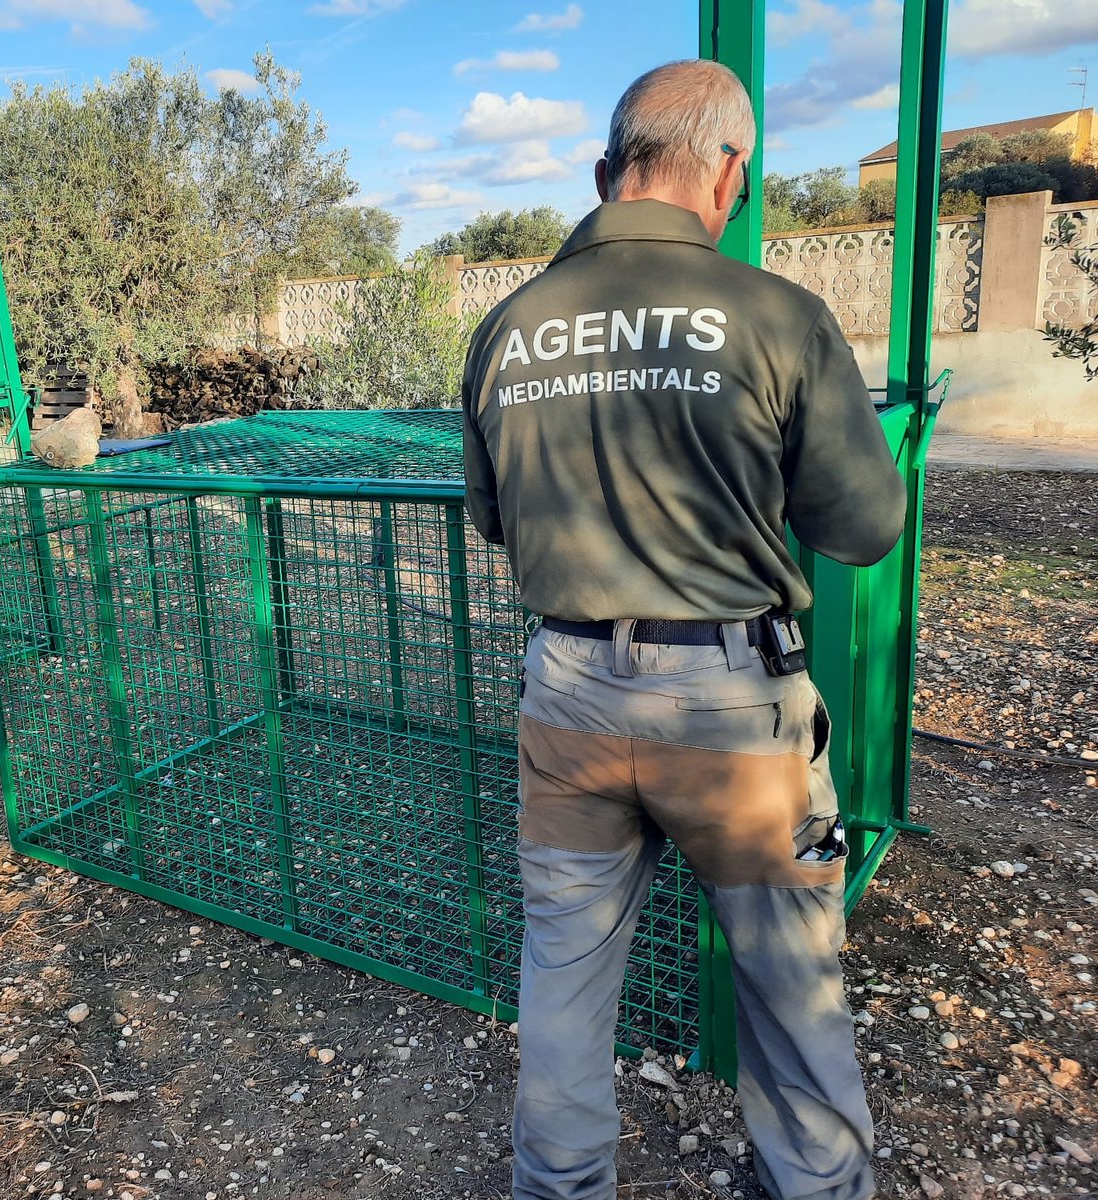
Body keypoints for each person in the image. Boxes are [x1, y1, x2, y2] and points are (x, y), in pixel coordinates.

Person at [461, 60, 905, 1200]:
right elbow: (863, 530)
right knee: (791, 990)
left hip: (566, 692)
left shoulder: (507, 327)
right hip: (732, 710)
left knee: (562, 983)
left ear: (604, 172)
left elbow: (494, 520)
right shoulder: (778, 316)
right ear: (728, 172)